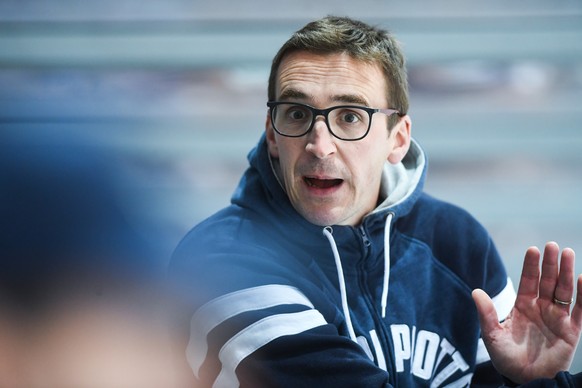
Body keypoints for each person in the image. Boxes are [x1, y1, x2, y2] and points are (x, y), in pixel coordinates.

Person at [170, 16, 582, 387]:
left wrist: (521, 379)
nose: (319, 145)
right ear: (273, 134)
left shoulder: (456, 241)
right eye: (296, 114)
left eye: (350, 116)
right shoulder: (222, 263)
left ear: (398, 139)